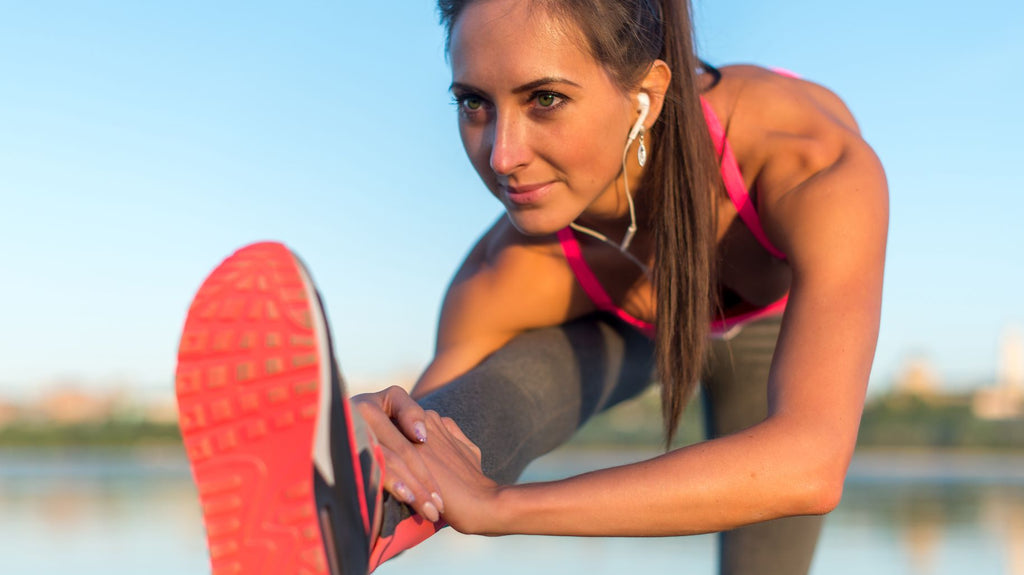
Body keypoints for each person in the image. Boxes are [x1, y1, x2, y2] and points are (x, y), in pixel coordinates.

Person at [174, 0, 887, 574]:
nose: (502, 155)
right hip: (619, 329)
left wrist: (504, 507)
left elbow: (810, 461)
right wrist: (380, 445)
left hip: (772, 330)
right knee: (485, 400)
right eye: (474, 103)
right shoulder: (506, 272)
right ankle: (345, 517)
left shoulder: (807, 161)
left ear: (647, 93)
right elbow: (436, 447)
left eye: (544, 98)